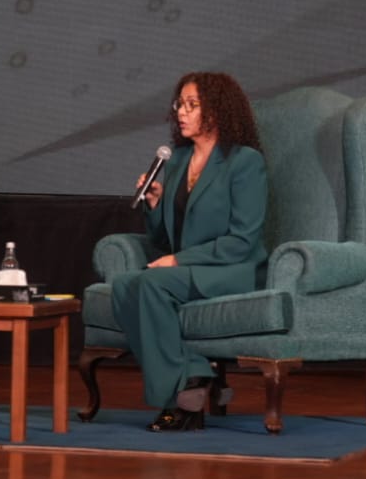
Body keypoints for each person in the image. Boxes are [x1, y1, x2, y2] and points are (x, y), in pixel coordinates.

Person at [111, 71, 268, 431]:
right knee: (122, 286)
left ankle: (176, 401)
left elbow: (242, 240)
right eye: (179, 104)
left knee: (151, 283)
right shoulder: (178, 161)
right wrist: (155, 205)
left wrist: (179, 260)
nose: (181, 112)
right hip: (191, 270)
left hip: (234, 268)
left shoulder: (244, 161)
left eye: (192, 105)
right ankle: (196, 373)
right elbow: (164, 240)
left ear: (218, 111)